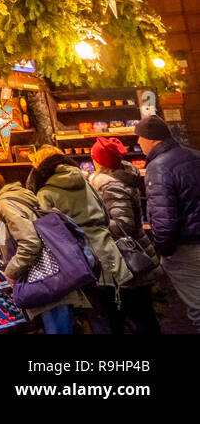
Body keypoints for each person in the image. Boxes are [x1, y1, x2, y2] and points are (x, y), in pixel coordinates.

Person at [28, 144, 132, 333]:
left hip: (81, 259)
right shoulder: (87, 183)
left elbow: (49, 234)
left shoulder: (45, 193)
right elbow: (106, 216)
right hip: (108, 252)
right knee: (115, 316)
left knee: (98, 319)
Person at [0, 176, 89, 333]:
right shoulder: (21, 198)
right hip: (53, 277)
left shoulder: (5, 204)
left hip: (45, 279)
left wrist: (12, 271)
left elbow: (30, 242)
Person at [87, 135, 161, 333]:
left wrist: (92, 226)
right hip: (129, 260)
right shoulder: (120, 180)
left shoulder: (111, 187)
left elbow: (122, 225)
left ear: (99, 161)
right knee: (140, 315)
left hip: (127, 263)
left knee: (139, 316)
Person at [137, 114, 200, 331]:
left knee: (197, 305)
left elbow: (164, 217)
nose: (138, 143)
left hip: (186, 245)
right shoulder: (194, 155)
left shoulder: (158, 167)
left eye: (140, 138)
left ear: (151, 139)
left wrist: (165, 250)